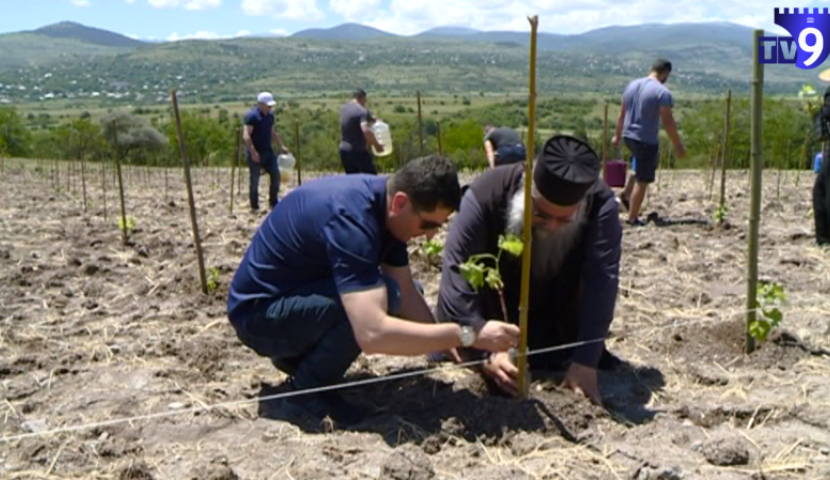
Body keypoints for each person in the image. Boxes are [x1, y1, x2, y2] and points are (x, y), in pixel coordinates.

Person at [226, 155, 520, 426]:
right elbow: (372, 335)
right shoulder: (352, 221)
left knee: (397, 292)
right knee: (378, 301)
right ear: (400, 203)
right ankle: (304, 394)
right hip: (259, 318)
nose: (431, 234)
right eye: (428, 223)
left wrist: (461, 354)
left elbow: (406, 289)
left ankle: (304, 363)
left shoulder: (386, 207)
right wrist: (468, 333)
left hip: (295, 302)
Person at [435, 134, 623, 405]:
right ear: (527, 191)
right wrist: (484, 349)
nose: (551, 226)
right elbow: (457, 274)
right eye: (541, 215)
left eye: (565, 219)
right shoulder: (487, 192)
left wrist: (586, 360)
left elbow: (602, 281)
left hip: (555, 320)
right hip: (486, 323)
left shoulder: (600, 205)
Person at [612, 59, 686, 226]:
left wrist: (617, 136)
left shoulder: (631, 86)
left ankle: (624, 196)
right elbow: (668, 122)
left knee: (639, 166)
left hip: (628, 135)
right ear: (665, 72)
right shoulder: (662, 93)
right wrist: (678, 145)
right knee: (643, 179)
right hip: (645, 139)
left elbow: (621, 114)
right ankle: (632, 218)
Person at [243, 91, 289, 212]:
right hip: (255, 152)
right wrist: (253, 153)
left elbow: (272, 132)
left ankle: (273, 203)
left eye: (271, 106)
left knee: (276, 176)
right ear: (261, 104)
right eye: (268, 106)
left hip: (268, 151)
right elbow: (246, 136)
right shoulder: (252, 116)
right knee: (254, 180)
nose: (270, 108)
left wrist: (281, 146)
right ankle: (254, 206)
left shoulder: (270, 116)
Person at [339, 89, 384, 174]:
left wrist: (372, 119)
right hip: (358, 151)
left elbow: (354, 119)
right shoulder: (362, 111)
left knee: (353, 179)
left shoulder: (344, 109)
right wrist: (376, 145)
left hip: (344, 150)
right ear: (362, 98)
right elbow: (365, 130)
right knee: (371, 178)